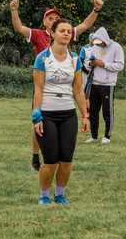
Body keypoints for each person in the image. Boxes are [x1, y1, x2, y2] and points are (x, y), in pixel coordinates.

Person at [10, 0, 103, 171]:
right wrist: (14, 10)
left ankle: (58, 156)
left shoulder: (65, 31)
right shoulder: (38, 34)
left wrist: (95, 10)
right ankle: (36, 156)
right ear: (45, 22)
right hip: (44, 86)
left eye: (56, 18)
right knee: (37, 122)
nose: (53, 21)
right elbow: (19, 28)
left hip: (64, 87)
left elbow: (84, 25)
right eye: (50, 18)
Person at [32, 19, 89, 205]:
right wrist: (37, 116)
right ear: (53, 34)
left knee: (66, 159)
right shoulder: (43, 58)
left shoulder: (75, 60)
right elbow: (38, 90)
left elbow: (78, 90)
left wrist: (85, 115)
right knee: (50, 160)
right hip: (47, 114)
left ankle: (60, 194)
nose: (66, 33)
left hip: (68, 114)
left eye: (69, 31)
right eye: (62, 30)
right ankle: (43, 195)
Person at [82, 27, 124, 144]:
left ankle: (107, 136)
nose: (99, 44)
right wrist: (91, 63)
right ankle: (93, 136)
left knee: (107, 111)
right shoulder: (94, 47)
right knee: (93, 111)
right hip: (94, 83)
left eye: (100, 41)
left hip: (108, 84)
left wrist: (104, 64)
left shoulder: (116, 47)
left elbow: (120, 66)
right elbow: (87, 63)